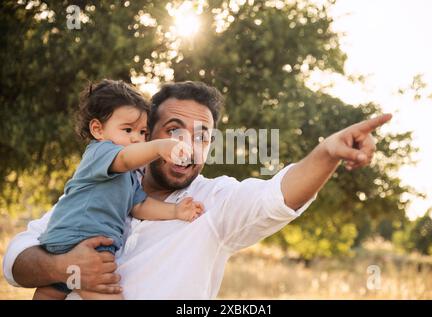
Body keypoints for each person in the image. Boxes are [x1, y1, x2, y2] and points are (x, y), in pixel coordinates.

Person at [3, 81, 392, 299]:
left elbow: (277, 196)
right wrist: (64, 268)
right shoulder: (100, 186)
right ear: (145, 135)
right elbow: (17, 261)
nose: (187, 145)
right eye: (173, 131)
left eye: (202, 137)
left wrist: (326, 153)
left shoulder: (215, 203)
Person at [33, 80, 204, 300]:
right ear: (98, 130)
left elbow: (140, 206)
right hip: (82, 240)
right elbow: (125, 159)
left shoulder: (129, 177)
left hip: (69, 240)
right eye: (127, 129)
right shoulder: (101, 151)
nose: (136, 138)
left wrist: (175, 211)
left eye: (143, 132)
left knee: (52, 290)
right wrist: (160, 146)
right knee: (106, 291)